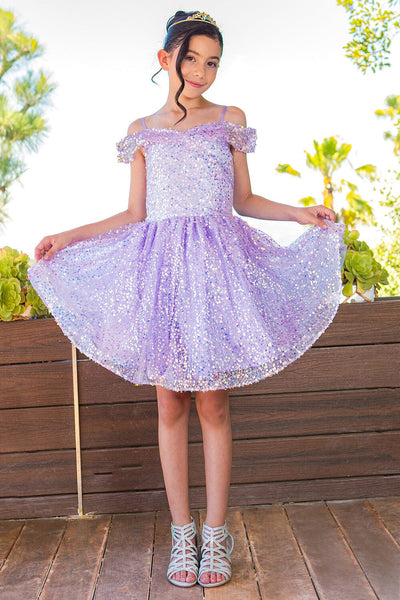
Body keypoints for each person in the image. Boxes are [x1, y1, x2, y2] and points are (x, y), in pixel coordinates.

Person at [28, 9, 345, 590]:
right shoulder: (142, 130)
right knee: (170, 404)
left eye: (212, 62)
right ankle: (182, 531)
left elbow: (244, 200)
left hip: (216, 270)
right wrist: (67, 236)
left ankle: (216, 533)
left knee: (212, 404)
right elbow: (135, 213)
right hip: (161, 274)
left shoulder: (229, 119)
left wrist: (299, 213)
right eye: (191, 58)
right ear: (165, 59)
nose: (201, 71)